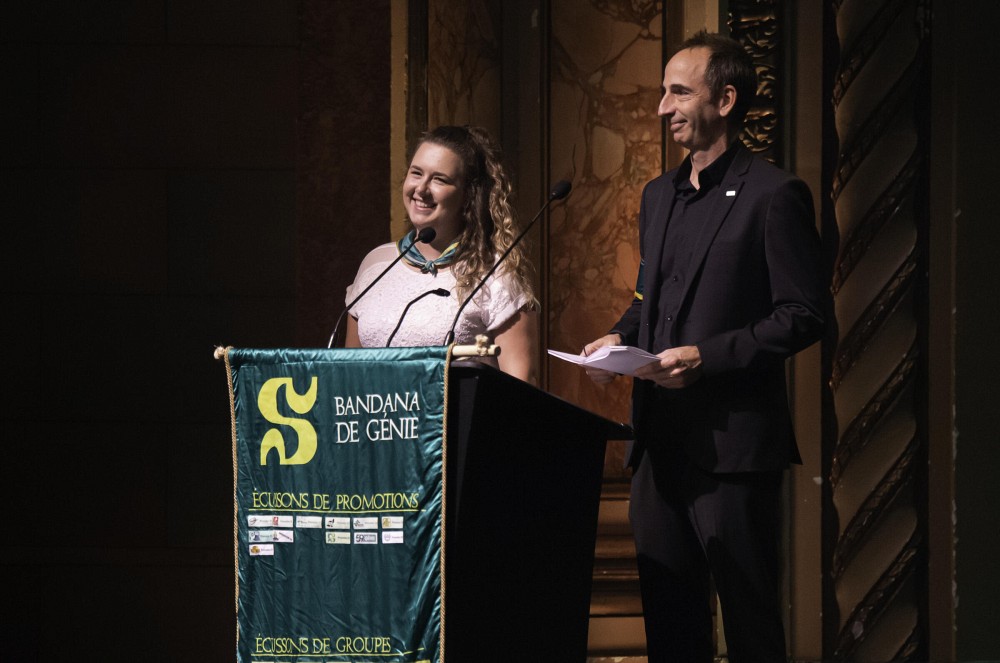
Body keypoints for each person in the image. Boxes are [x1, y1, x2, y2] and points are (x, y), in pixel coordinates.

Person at [583, 32, 832, 662]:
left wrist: (705, 357)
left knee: (750, 627)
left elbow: (803, 315)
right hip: (658, 448)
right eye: (663, 91)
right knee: (671, 628)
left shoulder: (773, 195)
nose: (662, 107)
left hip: (733, 453)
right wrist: (620, 336)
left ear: (725, 98)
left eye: (678, 92)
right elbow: (649, 299)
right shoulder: (657, 195)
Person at [345, 125, 539, 384]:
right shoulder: (375, 264)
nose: (421, 189)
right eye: (416, 173)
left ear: (469, 195)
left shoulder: (496, 273)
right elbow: (346, 376)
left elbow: (521, 389)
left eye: (439, 179)